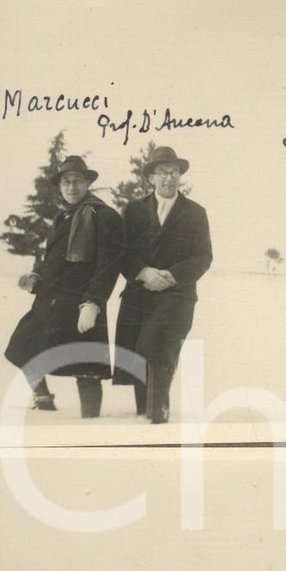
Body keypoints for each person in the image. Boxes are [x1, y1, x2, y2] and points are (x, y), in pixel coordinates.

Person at [5, 155, 123, 417]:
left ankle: (90, 423)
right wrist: (36, 277)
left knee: (87, 367)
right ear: (60, 187)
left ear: (87, 183)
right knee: (22, 345)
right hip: (52, 301)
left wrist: (93, 302)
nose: (71, 187)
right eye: (66, 182)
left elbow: (109, 265)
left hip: (82, 302)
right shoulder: (62, 217)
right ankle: (43, 398)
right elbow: (53, 260)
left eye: (77, 181)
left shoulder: (104, 216)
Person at [112, 145, 213, 423]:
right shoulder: (132, 211)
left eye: (174, 172)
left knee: (158, 344)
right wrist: (144, 272)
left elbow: (204, 256)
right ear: (151, 178)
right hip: (139, 292)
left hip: (177, 294)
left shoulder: (195, 213)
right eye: (163, 172)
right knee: (136, 349)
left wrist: (170, 276)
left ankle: (159, 411)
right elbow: (121, 252)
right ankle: (146, 408)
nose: (169, 178)